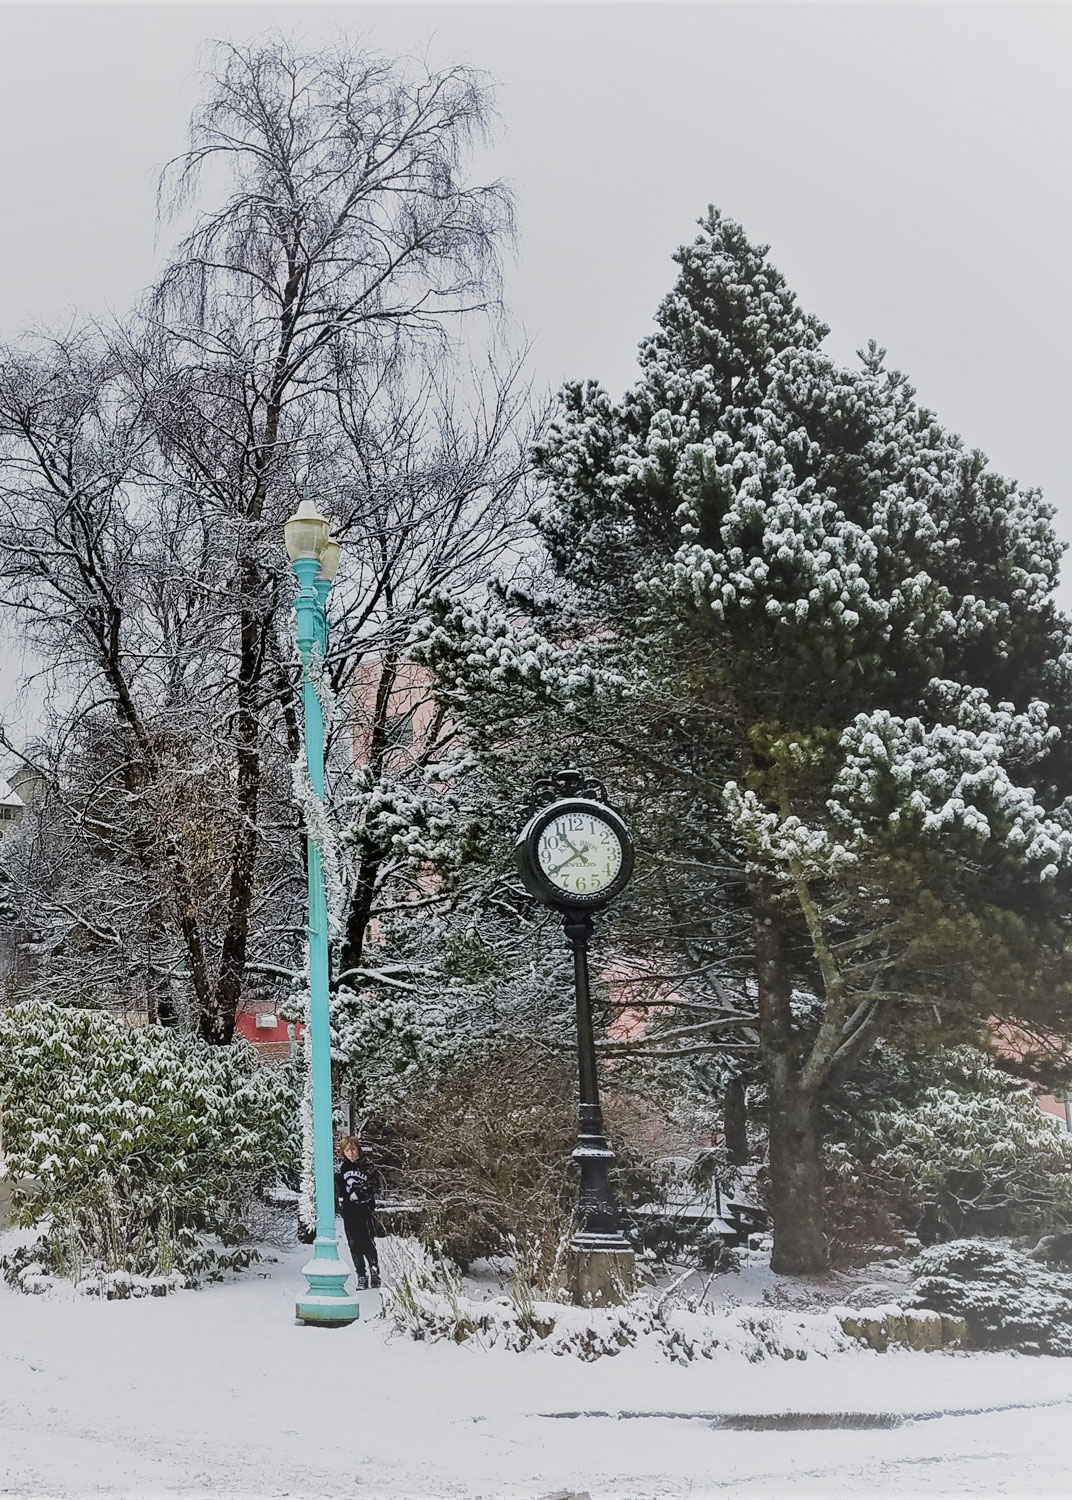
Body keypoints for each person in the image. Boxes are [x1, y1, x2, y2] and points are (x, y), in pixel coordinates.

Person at [334, 1136, 380, 1289]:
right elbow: (341, 1189)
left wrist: (362, 1193)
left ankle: (374, 1272)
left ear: (358, 1149)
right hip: (349, 1211)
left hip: (365, 1209)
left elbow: (375, 1186)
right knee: (354, 1244)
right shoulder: (343, 1168)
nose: (351, 1153)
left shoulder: (367, 1166)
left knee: (367, 1241)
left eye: (353, 1149)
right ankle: (361, 1275)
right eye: (347, 1150)